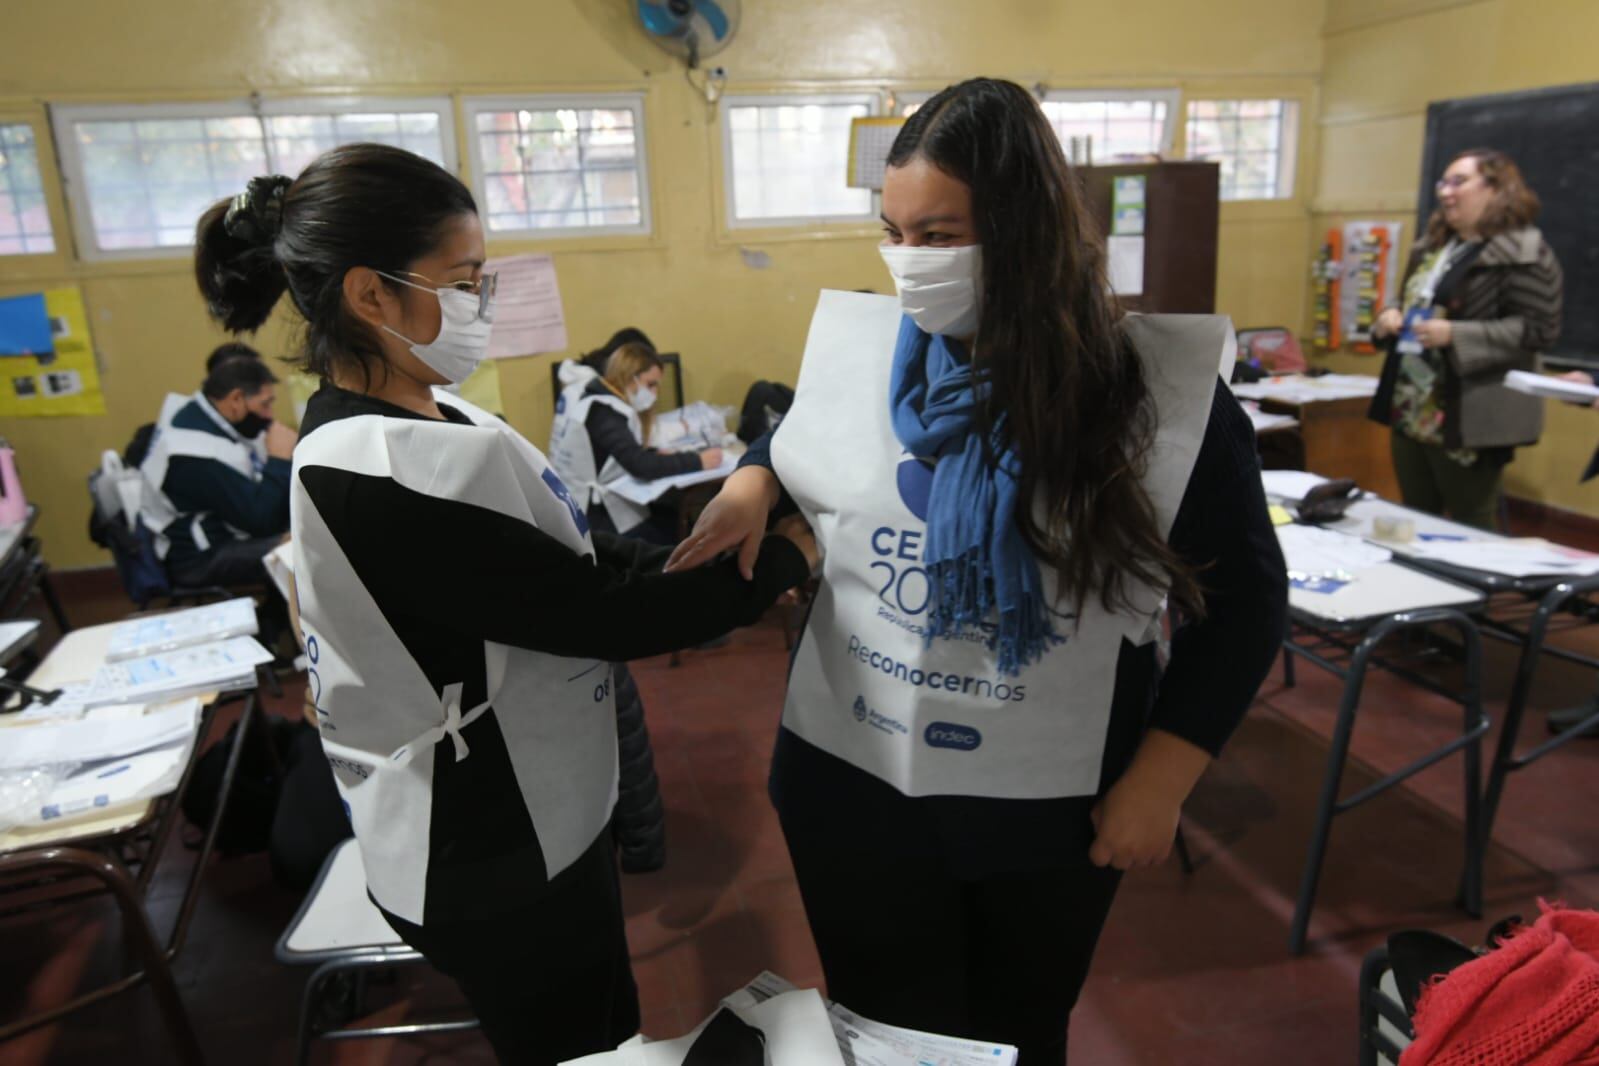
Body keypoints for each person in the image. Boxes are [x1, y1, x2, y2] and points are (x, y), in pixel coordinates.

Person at [667, 78, 1287, 1064]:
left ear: (1026, 228)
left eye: (942, 234)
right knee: (882, 1028)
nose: (910, 265)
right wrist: (751, 479)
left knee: (1016, 1032)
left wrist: (1163, 778)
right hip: (854, 785)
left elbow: (1247, 603)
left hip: (1046, 806)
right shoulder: (873, 358)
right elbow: (791, 434)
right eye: (894, 232)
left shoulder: (1157, 399)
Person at [193, 144, 815, 1065]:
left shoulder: (436, 415)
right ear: (370, 295)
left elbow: (567, 545)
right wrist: (782, 564)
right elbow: (598, 616)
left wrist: (686, 551)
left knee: (607, 1026)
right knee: (574, 1046)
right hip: (484, 850)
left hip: (542, 801)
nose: (481, 306)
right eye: (463, 281)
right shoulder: (375, 472)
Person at [1368, 148, 1563, 530]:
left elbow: (1541, 329)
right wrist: (1388, 316)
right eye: (1443, 182)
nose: (1445, 192)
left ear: (1497, 189)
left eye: (1459, 182)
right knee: (1415, 519)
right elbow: (1411, 298)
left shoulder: (1524, 251)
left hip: (1469, 414)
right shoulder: (1434, 246)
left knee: (1470, 527)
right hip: (1412, 407)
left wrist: (1455, 335)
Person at [137, 342, 297, 589]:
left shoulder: (201, 416)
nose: (269, 415)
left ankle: (274, 618)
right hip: (200, 559)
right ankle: (276, 622)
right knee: (300, 549)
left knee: (303, 536)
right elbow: (262, 521)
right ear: (236, 399)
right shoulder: (194, 452)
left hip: (222, 537)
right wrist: (279, 460)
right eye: (265, 404)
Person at [549, 340, 722, 543]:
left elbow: (620, 454)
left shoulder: (599, 400)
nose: (654, 394)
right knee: (674, 526)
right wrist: (698, 461)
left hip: (588, 506)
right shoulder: (603, 411)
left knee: (671, 513)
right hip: (589, 514)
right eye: (650, 384)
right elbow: (640, 465)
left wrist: (653, 454)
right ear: (630, 377)